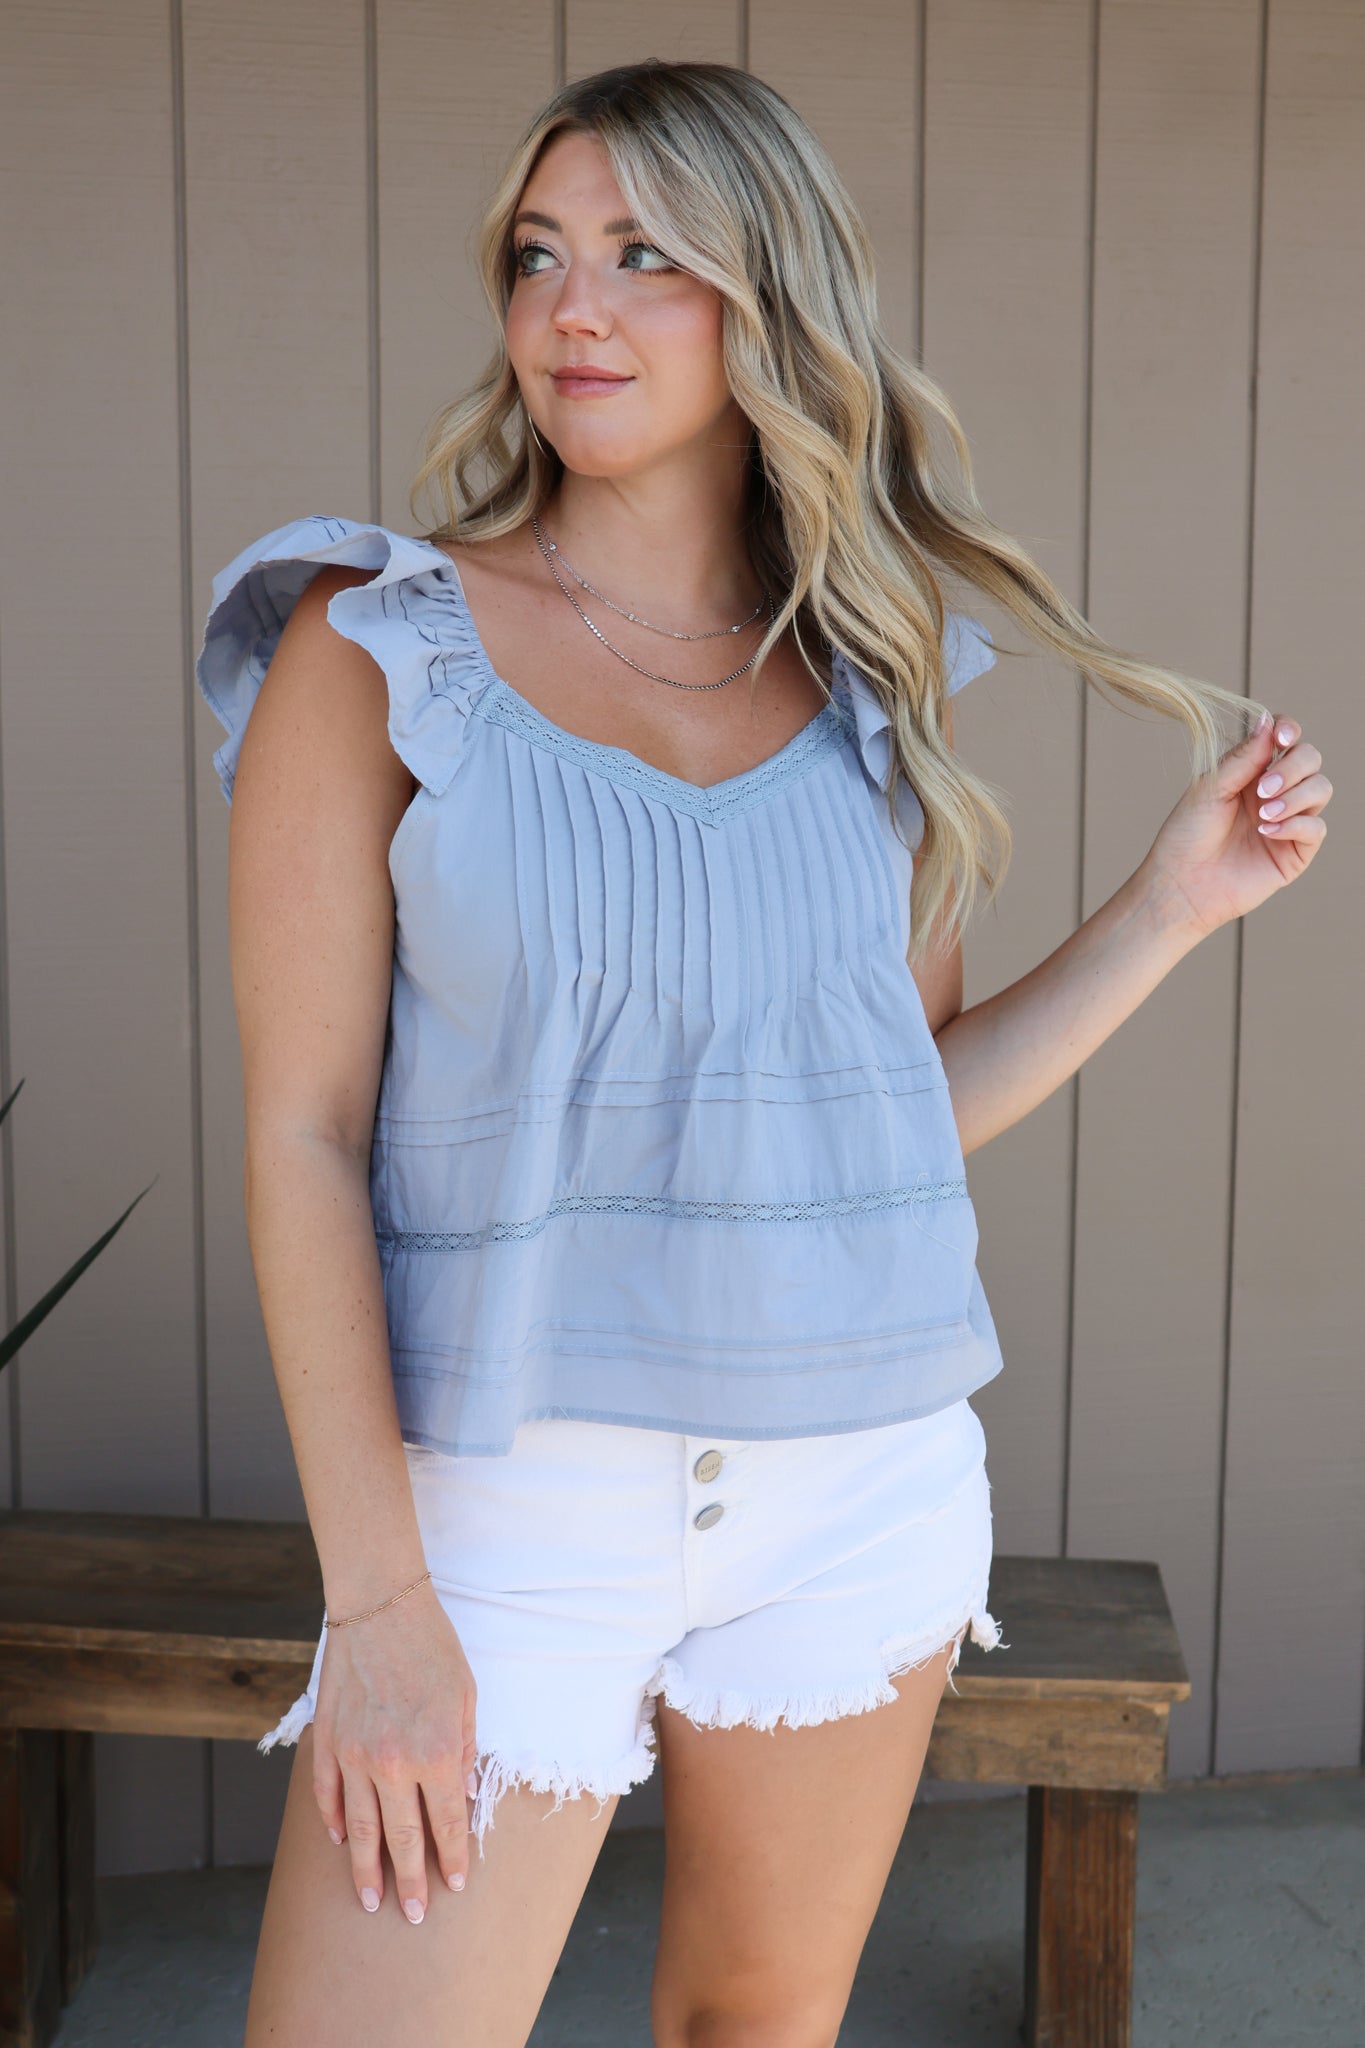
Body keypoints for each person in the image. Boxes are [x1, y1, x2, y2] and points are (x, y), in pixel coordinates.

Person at [193, 58, 1331, 2048]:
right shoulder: (374, 646)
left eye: (644, 256)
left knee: (757, 2027)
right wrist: (375, 1603)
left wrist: (1167, 908)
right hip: (499, 1510)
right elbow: (303, 1133)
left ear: (769, 296)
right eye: (538, 254)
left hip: (856, 1486)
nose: (571, 308)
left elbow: (893, 1125)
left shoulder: (871, 672)